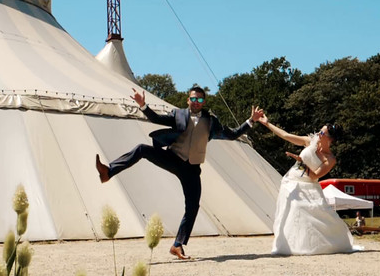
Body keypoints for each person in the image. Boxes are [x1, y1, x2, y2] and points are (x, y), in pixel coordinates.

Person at [96, 87, 263, 260]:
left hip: (191, 168)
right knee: (141, 149)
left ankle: (177, 245)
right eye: (193, 99)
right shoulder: (178, 115)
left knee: (193, 206)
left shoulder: (212, 121)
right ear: (187, 100)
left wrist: (251, 120)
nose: (196, 102)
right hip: (173, 158)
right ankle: (108, 172)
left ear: (203, 102)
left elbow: (233, 134)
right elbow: (157, 118)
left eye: (199, 100)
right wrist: (142, 105)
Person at [257, 113, 362, 255]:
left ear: (329, 138)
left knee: (318, 216)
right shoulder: (310, 141)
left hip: (309, 185)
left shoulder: (330, 159)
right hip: (291, 181)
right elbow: (286, 135)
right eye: (320, 130)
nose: (318, 133)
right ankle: (290, 245)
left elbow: (315, 176)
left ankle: (320, 244)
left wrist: (301, 162)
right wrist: (266, 124)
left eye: (322, 132)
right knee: (290, 212)